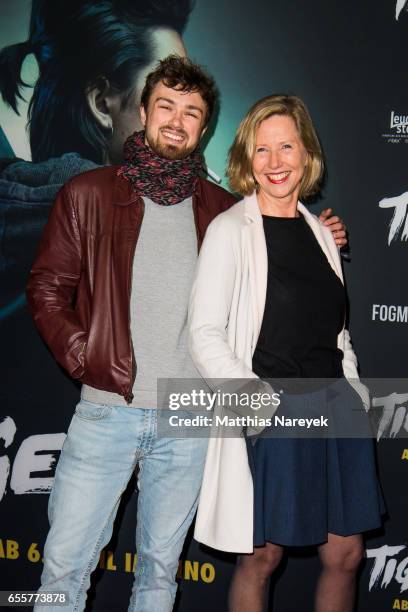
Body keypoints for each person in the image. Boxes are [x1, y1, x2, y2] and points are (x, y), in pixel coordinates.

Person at [26, 59, 347, 611]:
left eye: (192, 112)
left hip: (191, 419)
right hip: (107, 411)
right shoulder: (88, 193)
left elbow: (283, 239)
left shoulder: (222, 208)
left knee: (159, 574)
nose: (177, 121)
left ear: (204, 126)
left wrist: (322, 231)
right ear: (145, 112)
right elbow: (47, 290)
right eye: (167, 107)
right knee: (62, 573)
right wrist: (88, 360)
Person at [188, 94, 384, 612]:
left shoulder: (322, 233)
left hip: (334, 406)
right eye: (262, 150)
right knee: (262, 557)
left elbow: (336, 332)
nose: (275, 162)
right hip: (273, 404)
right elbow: (204, 332)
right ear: (246, 160)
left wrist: (354, 391)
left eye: (286, 147)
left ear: (307, 155)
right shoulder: (230, 230)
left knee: (345, 554)